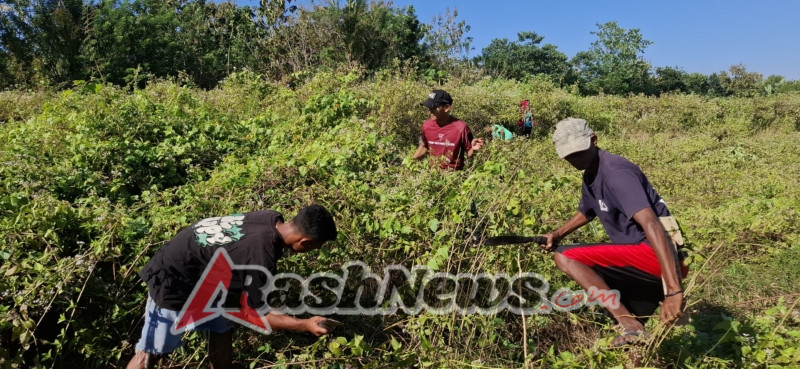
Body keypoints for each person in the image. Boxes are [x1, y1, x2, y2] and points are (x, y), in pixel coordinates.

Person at [126, 205, 338, 369]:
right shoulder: (260, 256)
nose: (313, 251)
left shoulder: (270, 218)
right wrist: (304, 324)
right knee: (153, 352)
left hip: (203, 274)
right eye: (315, 248)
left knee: (224, 323)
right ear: (305, 242)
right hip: (174, 280)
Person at [540, 118, 688, 347]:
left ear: (594, 140)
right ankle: (632, 330)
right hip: (642, 259)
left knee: (565, 257)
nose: (574, 159)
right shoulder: (591, 173)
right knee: (632, 340)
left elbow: (652, 224)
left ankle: (628, 322)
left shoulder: (616, 173)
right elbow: (587, 211)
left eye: (578, 152)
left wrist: (673, 290)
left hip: (657, 255)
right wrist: (558, 234)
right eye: (569, 156)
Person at [412, 89, 484, 170]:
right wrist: (410, 163)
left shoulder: (461, 128)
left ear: (446, 108)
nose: (430, 112)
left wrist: (474, 149)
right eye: (429, 108)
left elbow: (469, 153)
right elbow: (424, 146)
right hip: (432, 174)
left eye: (433, 107)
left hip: (453, 175)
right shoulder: (426, 126)